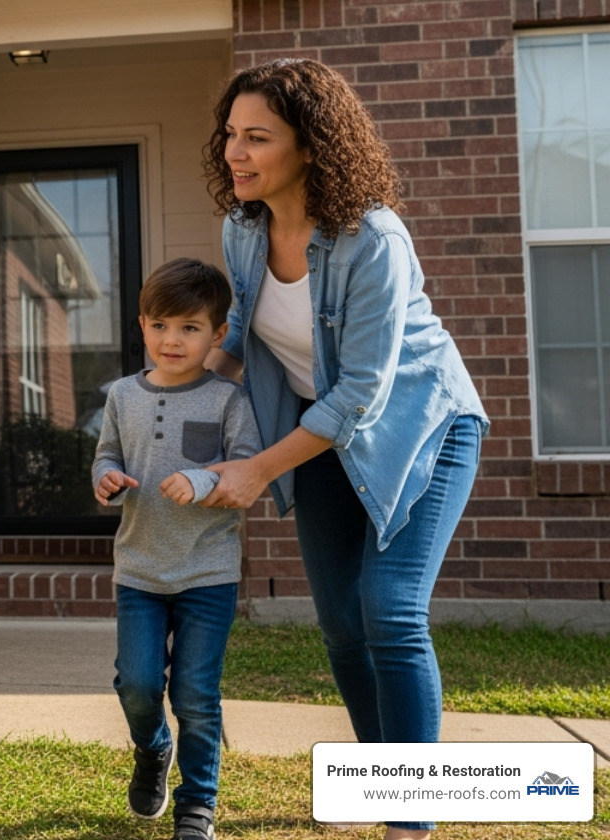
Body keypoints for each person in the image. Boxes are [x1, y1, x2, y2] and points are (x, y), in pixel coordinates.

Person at [198, 58, 488, 840]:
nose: (236, 153)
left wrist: (259, 468)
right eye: (231, 135)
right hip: (319, 438)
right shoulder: (243, 229)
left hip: (423, 429)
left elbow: (362, 391)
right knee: (340, 623)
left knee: (389, 611)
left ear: (312, 144)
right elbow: (238, 336)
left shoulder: (371, 237)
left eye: (258, 137)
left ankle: (410, 817)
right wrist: (169, 395)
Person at [92, 258, 261, 840]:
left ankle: (198, 804)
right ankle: (152, 747)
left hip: (207, 572)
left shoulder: (228, 400)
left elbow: (244, 468)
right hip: (139, 569)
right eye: (161, 325)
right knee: (136, 684)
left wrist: (203, 480)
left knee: (195, 691)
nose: (173, 339)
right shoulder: (121, 395)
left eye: (190, 328)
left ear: (217, 335)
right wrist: (107, 478)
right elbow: (107, 454)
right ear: (142, 325)